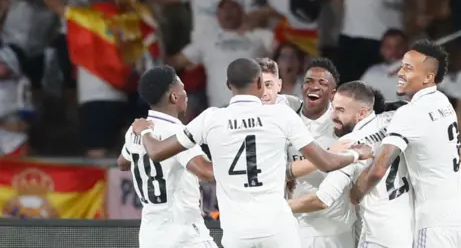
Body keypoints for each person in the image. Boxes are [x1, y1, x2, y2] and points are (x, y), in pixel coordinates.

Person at [131, 58, 372, 248]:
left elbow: (157, 152)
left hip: (237, 231)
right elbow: (327, 162)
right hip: (277, 226)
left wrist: (144, 132)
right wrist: (356, 155)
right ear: (259, 83)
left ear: (228, 87)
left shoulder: (211, 118)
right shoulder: (282, 115)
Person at [350, 39, 461, 248]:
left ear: (429, 76)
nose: (399, 72)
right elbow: (459, 154)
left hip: (435, 221)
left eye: (408, 68)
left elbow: (377, 170)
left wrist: (353, 196)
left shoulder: (408, 113)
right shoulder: (443, 104)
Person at [287, 81, 414, 248]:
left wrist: (273, 207)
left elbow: (322, 200)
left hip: (376, 235)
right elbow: (404, 105)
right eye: (333, 108)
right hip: (408, 228)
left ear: (361, 113)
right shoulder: (393, 119)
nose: (332, 116)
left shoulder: (350, 144)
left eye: (340, 110)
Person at [118, 65, 217, 248]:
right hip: (185, 236)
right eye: (184, 89)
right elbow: (206, 172)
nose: (186, 95)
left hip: (151, 237)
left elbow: (123, 163)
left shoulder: (136, 130)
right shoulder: (177, 133)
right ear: (174, 96)